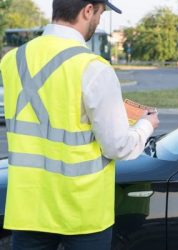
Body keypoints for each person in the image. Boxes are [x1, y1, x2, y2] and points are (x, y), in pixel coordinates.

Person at [0, 0, 159, 249]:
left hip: (28, 210)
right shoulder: (94, 68)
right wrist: (146, 125)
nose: (98, 20)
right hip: (83, 213)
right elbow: (118, 147)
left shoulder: (12, 60)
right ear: (87, 10)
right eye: (100, 13)